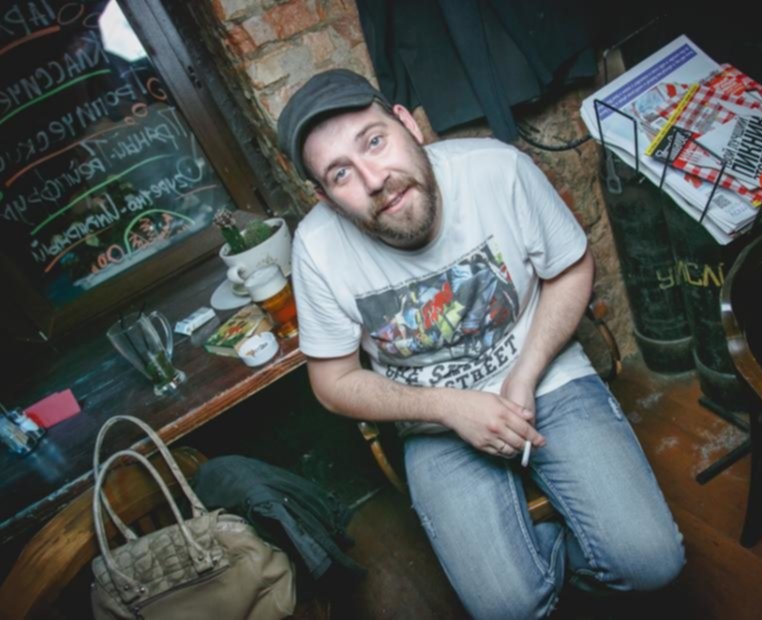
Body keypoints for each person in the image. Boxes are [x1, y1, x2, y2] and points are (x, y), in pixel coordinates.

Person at [277, 68, 684, 618]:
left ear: (407, 124)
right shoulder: (318, 248)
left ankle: (555, 568)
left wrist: (526, 371)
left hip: (547, 379)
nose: (374, 179)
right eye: (341, 173)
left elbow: (570, 268)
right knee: (507, 610)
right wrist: (448, 407)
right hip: (434, 424)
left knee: (653, 563)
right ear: (325, 197)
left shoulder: (496, 169)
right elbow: (331, 381)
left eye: (374, 142)